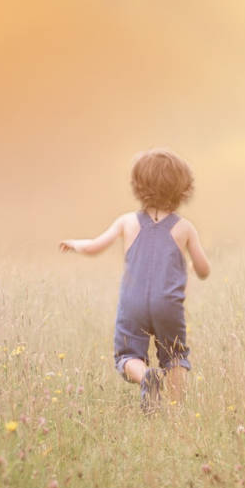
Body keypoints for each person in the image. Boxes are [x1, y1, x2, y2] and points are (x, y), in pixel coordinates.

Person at [58, 148, 213, 412]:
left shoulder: (127, 222)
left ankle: (145, 377)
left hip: (133, 304)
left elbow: (95, 246)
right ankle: (176, 410)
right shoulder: (185, 228)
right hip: (169, 306)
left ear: (139, 185)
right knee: (175, 356)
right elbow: (204, 270)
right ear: (182, 189)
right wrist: (189, 264)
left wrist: (76, 244)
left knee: (128, 355)